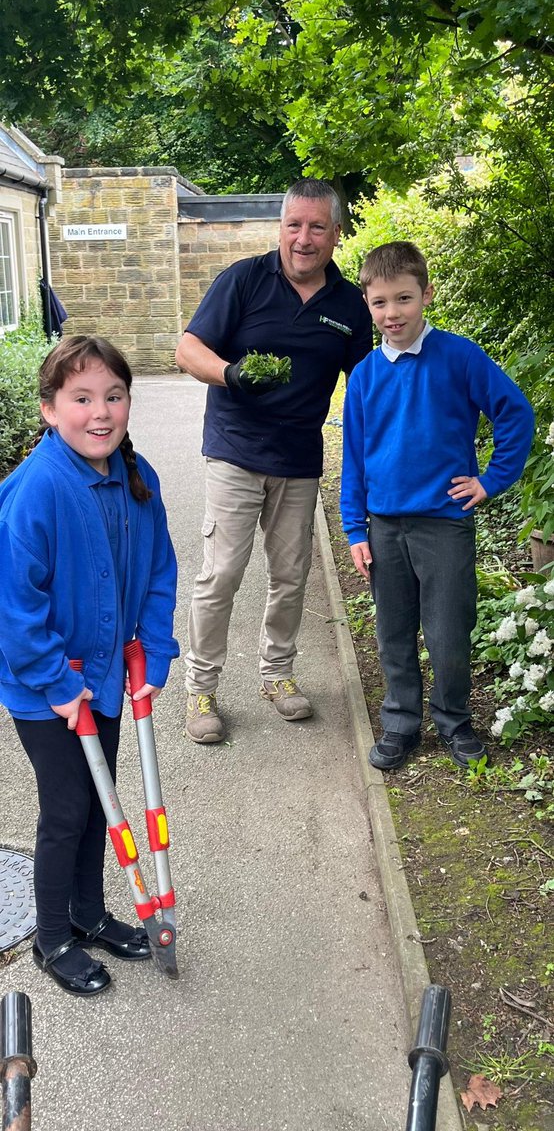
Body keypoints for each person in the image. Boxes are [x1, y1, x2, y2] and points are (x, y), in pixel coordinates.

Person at [0, 336, 179, 996]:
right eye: (81, 399)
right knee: (70, 805)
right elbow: (15, 605)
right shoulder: (37, 490)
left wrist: (154, 650)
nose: (100, 412)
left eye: (113, 395)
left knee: (102, 800)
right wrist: (55, 680)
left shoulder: (138, 476)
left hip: (104, 673)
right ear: (50, 409)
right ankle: (52, 937)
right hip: (43, 685)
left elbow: (160, 570)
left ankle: (87, 910)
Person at [175, 178, 373, 743]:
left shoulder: (348, 305)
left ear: (336, 233)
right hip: (235, 451)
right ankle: (202, 688)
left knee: (291, 577)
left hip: (298, 458)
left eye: (317, 227)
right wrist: (230, 374)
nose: (303, 238)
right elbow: (188, 348)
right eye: (294, 225)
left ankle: (278, 676)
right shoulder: (243, 279)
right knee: (222, 574)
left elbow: (368, 383)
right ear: (280, 227)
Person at [340, 241, 534, 771]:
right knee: (393, 631)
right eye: (379, 303)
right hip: (383, 527)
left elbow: (515, 415)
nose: (392, 313)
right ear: (367, 304)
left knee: (448, 630)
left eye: (403, 299)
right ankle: (401, 722)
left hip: (444, 524)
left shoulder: (459, 356)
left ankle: (454, 719)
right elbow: (353, 459)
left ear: (426, 295)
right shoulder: (363, 377)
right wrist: (355, 529)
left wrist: (490, 481)